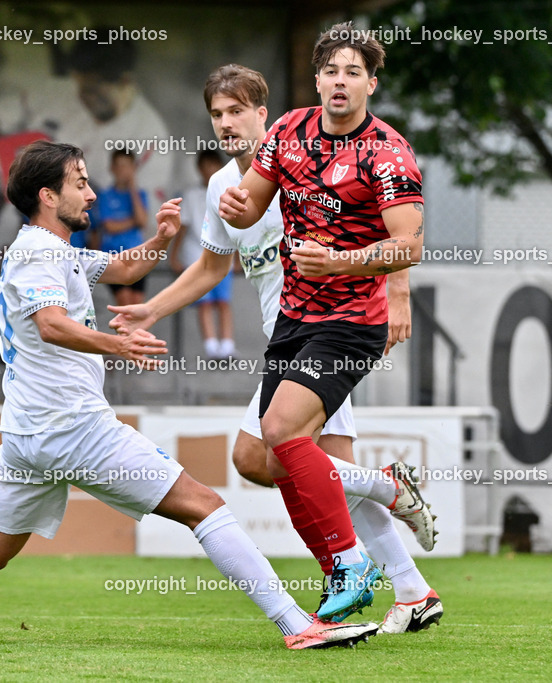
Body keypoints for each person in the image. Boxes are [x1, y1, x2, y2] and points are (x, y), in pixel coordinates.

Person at [0, 141, 379, 649]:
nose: (92, 192)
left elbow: (124, 267)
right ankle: (296, 625)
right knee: (205, 506)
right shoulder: (37, 255)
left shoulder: (61, 252)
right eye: (80, 183)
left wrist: (163, 237)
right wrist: (114, 344)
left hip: (27, 435)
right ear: (48, 196)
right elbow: (52, 325)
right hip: (72, 426)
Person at [110, 63, 442, 633]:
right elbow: (212, 266)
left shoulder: (308, 160)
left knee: (266, 456)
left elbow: (389, 231)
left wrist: (400, 295)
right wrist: (151, 308)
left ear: (263, 114)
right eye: (217, 114)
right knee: (317, 467)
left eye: (237, 111)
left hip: (332, 328)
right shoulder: (222, 188)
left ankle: (367, 540)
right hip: (288, 338)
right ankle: (410, 584)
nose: (226, 123)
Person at [217, 25, 429, 624]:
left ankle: (352, 564)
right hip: (294, 317)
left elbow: (408, 245)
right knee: (260, 457)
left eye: (353, 72)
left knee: (285, 431)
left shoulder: (386, 152)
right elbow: (254, 202)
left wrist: (343, 262)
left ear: (370, 83)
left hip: (352, 318)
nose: (341, 81)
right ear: (317, 80)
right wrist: (239, 207)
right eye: (331, 71)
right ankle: (375, 530)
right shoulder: (287, 130)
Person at [175, 150, 238, 360]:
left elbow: (237, 228)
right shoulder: (191, 195)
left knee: (223, 302)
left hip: (224, 257)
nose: (210, 170)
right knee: (204, 302)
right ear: (199, 169)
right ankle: (211, 347)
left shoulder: (229, 192)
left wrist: (238, 257)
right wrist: (174, 255)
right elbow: (182, 228)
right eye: (205, 166)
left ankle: (227, 346)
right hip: (196, 258)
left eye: (214, 165)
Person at [93, 150, 150, 306]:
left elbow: (143, 221)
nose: (122, 170)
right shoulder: (105, 195)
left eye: (126, 166)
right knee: (124, 301)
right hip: (114, 257)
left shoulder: (140, 194)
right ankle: (127, 332)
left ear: (133, 168)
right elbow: (110, 226)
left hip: (137, 257)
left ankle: (135, 332)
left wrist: (132, 188)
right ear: (111, 168)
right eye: (118, 166)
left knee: (137, 303)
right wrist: (134, 221)